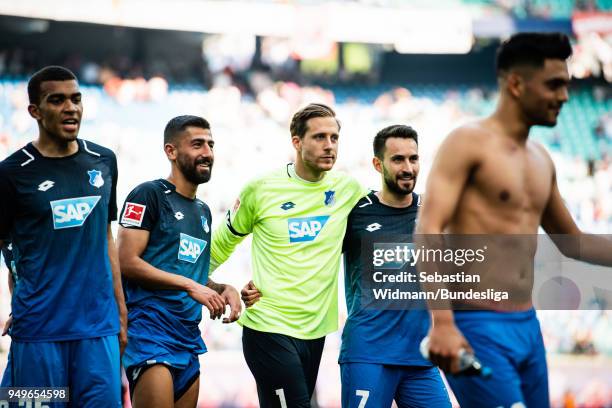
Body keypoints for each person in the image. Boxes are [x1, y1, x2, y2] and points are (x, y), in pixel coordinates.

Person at [417, 32, 612, 407]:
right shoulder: (466, 143)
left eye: (567, 85)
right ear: (517, 84)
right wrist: (442, 322)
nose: (565, 96)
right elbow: (429, 229)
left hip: (528, 326)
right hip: (478, 326)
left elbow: (574, 241)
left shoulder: (541, 159)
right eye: (554, 85)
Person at [211, 103, 367, 407]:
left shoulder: (348, 189)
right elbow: (216, 247)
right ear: (297, 142)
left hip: (316, 331)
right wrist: (214, 286)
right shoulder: (262, 190)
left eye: (334, 138)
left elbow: (383, 221)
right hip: (268, 328)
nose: (329, 146)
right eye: (320, 137)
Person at [0, 66, 127, 406]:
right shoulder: (11, 173)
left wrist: (121, 313)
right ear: (35, 111)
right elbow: (5, 248)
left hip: (98, 333)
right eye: (57, 100)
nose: (71, 108)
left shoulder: (103, 161)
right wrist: (16, 298)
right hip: (38, 334)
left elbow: (106, 236)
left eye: (76, 99)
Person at [117, 115, 241, 408]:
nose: (207, 152)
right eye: (197, 144)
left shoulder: (203, 211)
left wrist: (222, 287)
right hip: (149, 331)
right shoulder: (148, 194)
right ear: (171, 151)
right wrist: (189, 286)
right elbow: (125, 260)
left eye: (210, 144)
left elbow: (190, 272)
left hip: (187, 337)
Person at [340, 125, 451, 408]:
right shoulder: (354, 213)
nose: (408, 168)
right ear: (378, 164)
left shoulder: (434, 213)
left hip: (420, 358)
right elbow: (312, 259)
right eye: (398, 159)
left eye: (413, 159)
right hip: (368, 353)